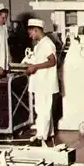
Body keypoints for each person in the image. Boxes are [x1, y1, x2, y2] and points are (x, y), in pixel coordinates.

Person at [24, 18, 59, 146]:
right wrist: (30, 64)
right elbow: (39, 59)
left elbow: (52, 61)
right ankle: (44, 133)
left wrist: (35, 67)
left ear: (36, 30)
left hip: (46, 83)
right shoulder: (39, 44)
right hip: (40, 82)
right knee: (41, 109)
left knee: (44, 109)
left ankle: (41, 137)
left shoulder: (47, 44)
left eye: (31, 33)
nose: (30, 35)